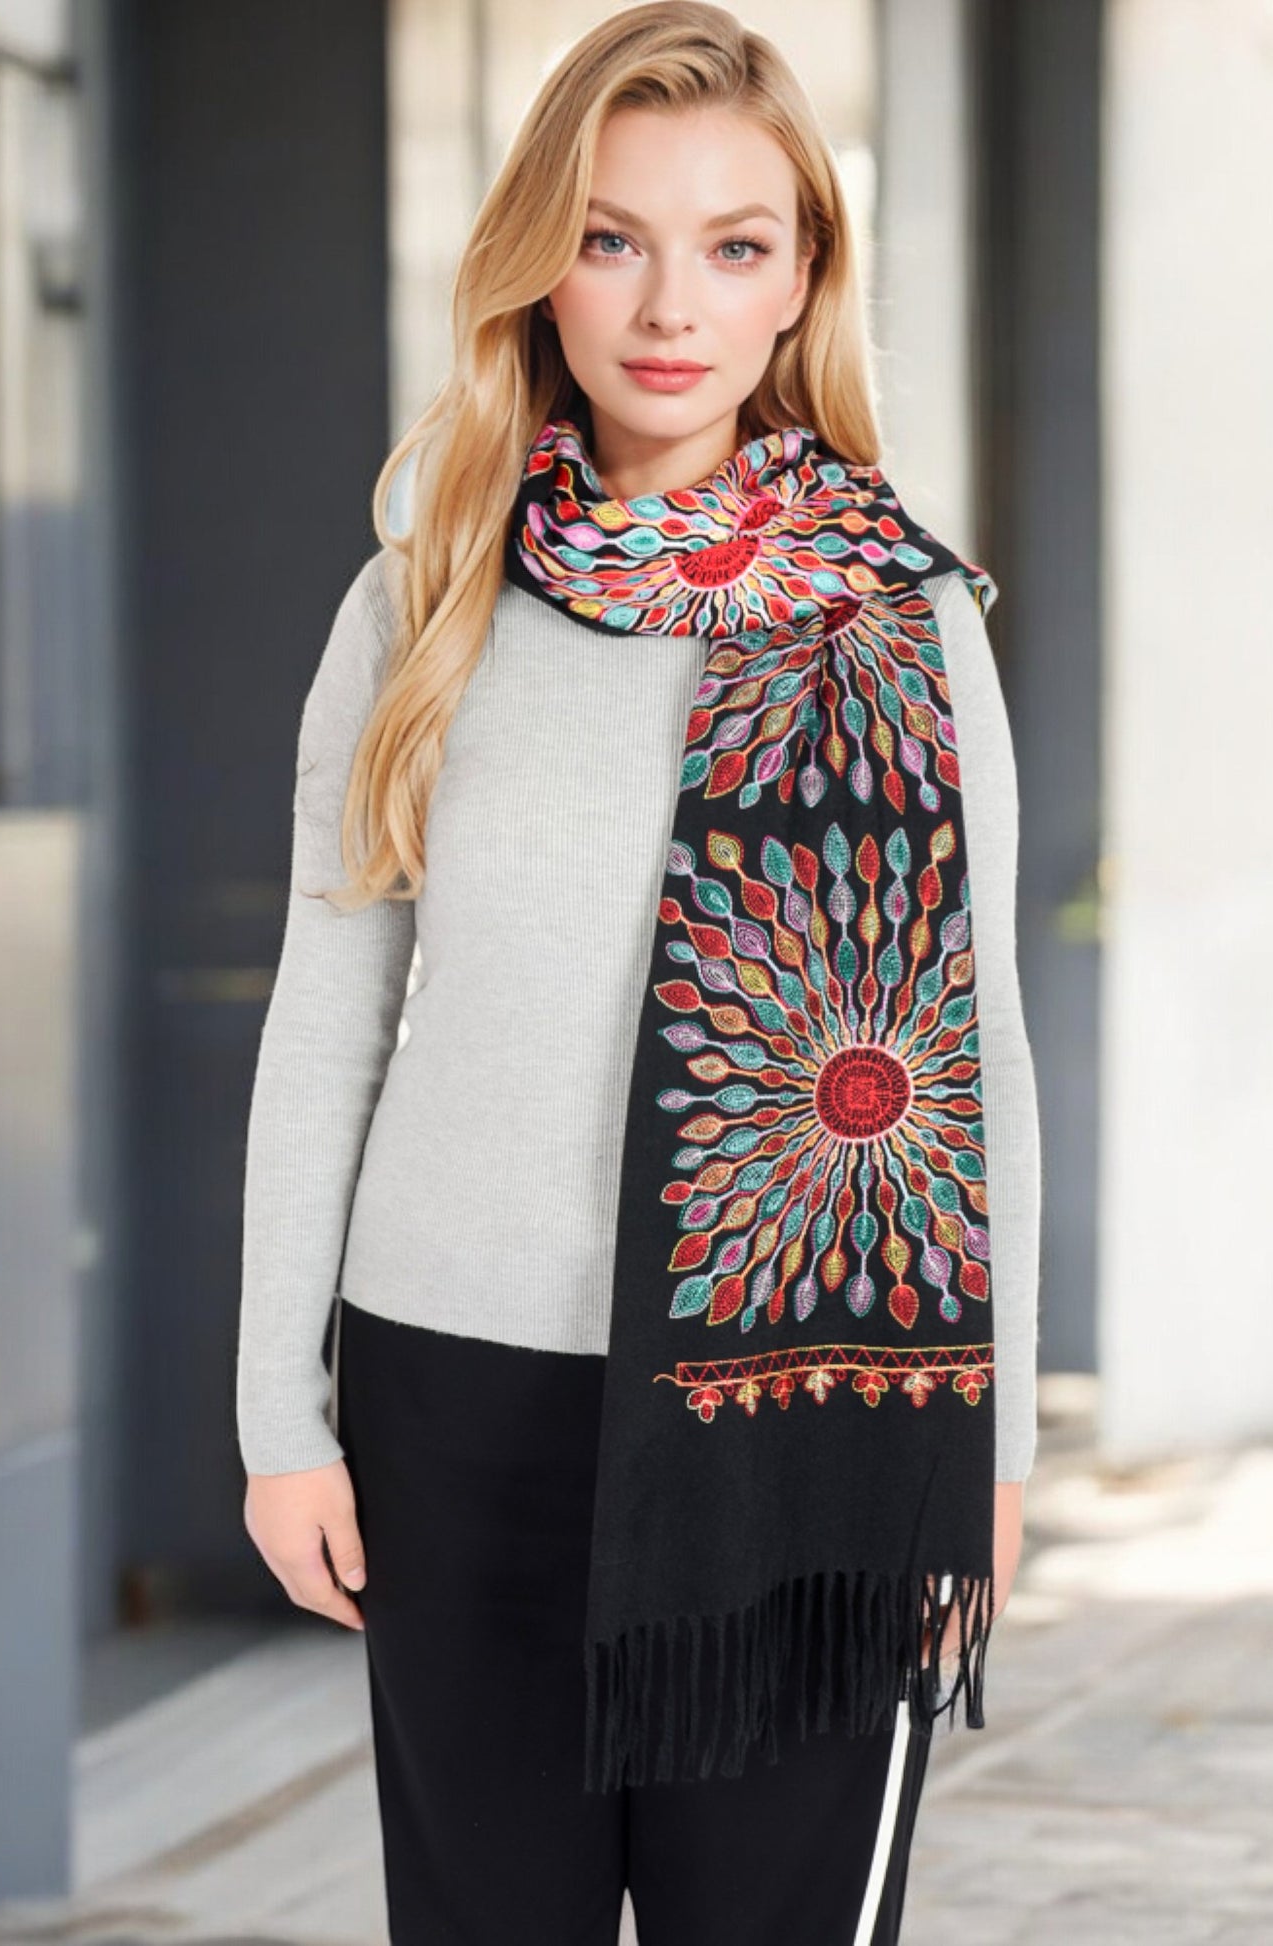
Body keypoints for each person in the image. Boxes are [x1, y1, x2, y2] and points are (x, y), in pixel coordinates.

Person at [235, 6, 1041, 1941]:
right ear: (538, 262)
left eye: (732, 244)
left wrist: (991, 1460)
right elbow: (328, 1016)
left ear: (802, 280)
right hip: (461, 1400)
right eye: (610, 237)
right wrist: (279, 1417)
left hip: (819, 1410)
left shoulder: (908, 622)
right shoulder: (423, 602)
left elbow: (976, 1050)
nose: (669, 303)